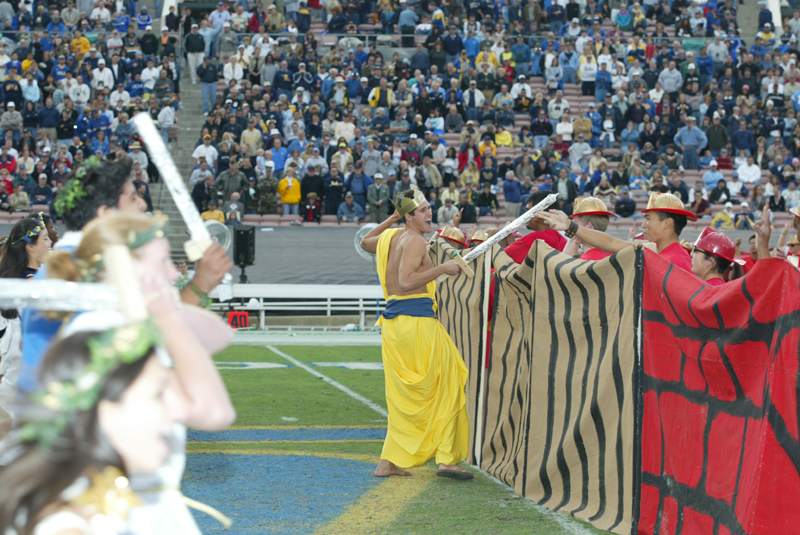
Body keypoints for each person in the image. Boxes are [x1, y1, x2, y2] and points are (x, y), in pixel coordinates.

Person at [359, 188, 472, 480]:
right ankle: (447, 459)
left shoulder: (393, 236)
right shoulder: (414, 240)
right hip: (417, 322)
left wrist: (392, 219)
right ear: (410, 216)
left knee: (405, 399)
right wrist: (443, 268)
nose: (429, 213)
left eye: (429, 208)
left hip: (395, 326)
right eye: (422, 210)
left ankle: (388, 463)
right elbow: (408, 282)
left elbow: (364, 241)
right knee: (449, 382)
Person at [539, 192, 696, 272]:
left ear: (667, 223)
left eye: (648, 218)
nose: (643, 224)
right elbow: (611, 243)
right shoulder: (651, 250)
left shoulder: (677, 261)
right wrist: (570, 227)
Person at [504, 191, 567, 263]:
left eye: (529, 211)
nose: (525, 215)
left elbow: (503, 258)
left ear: (541, 214)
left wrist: (507, 232)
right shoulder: (563, 241)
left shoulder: (533, 240)